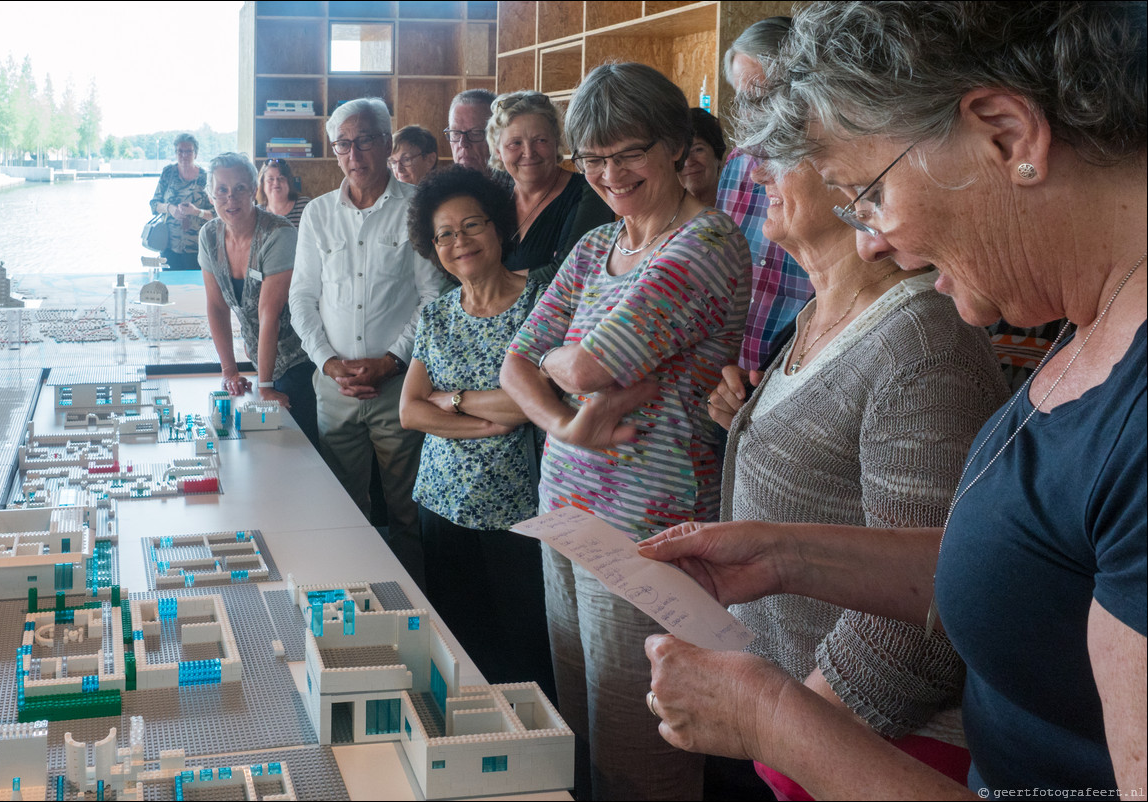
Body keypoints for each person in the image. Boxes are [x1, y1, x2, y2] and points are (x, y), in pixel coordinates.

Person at [640, 1, 1146, 798]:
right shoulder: (1084, 328)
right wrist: (785, 557)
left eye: (868, 193)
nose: (870, 239)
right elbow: (1027, 568)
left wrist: (776, 718)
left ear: (1007, 134)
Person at [705, 158, 1008, 800]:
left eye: (783, 151)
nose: (756, 172)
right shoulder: (826, 308)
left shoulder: (921, 343)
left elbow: (923, 618)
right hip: (807, 730)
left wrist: (784, 731)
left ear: (851, 178)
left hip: (871, 749)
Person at [500, 62, 752, 801]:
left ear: (676, 145)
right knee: (581, 732)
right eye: (594, 158)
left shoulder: (704, 243)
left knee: (644, 754)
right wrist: (566, 427)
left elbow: (583, 365)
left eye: (628, 152)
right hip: (569, 516)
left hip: (649, 535)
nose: (610, 173)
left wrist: (562, 372)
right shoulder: (595, 248)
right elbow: (517, 364)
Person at [399, 165, 553, 696]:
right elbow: (411, 412)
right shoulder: (437, 314)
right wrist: (484, 423)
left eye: (472, 226)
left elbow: (540, 402)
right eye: (444, 234)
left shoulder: (540, 298)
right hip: (441, 504)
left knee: (526, 652)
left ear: (498, 227)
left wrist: (455, 401)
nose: (459, 242)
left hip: (520, 510)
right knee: (459, 648)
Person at [289, 97, 446, 587]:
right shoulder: (317, 214)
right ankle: (347, 601)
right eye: (343, 144)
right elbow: (302, 297)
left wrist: (391, 360)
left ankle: (418, 609)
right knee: (340, 508)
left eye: (364, 140)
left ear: (385, 142)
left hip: (398, 388)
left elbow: (433, 297)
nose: (353, 153)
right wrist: (328, 362)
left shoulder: (418, 207)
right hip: (334, 388)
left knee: (406, 512)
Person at [198, 153, 318, 446]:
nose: (231, 198)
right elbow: (216, 307)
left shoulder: (279, 233)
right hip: (261, 358)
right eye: (222, 190)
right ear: (210, 195)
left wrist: (264, 386)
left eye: (240, 188)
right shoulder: (209, 235)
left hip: (301, 361)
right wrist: (230, 372)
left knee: (299, 450)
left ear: (254, 190)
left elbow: (269, 314)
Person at [717, 17, 814, 372]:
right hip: (731, 368)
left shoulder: (829, 170)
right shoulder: (737, 165)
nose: (752, 115)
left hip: (798, 366)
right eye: (745, 100)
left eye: (767, 98)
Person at [486, 90, 613, 284]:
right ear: (498, 152)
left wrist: (488, 282)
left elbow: (569, 273)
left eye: (540, 140)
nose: (528, 152)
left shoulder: (589, 193)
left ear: (556, 143)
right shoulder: (494, 193)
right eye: (515, 143)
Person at [150, 133, 214, 270]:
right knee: (169, 287)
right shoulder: (168, 173)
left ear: (195, 154)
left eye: (188, 151)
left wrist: (196, 212)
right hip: (168, 246)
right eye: (180, 151)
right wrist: (170, 208)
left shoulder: (205, 177)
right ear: (175, 153)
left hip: (198, 248)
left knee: (195, 289)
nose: (184, 155)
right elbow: (154, 205)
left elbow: (217, 214)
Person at [445, 89, 504, 184]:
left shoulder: (514, 192)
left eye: (475, 133)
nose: (463, 143)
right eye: (455, 133)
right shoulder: (444, 191)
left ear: (498, 137)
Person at [680, 108, 726, 207]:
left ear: (717, 154)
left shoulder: (739, 209)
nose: (688, 161)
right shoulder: (664, 217)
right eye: (681, 154)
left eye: (698, 150)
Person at [255, 158, 311, 229]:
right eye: (271, 179)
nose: (276, 183)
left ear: (289, 182)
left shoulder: (304, 206)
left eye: (281, 178)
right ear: (263, 184)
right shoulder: (257, 213)